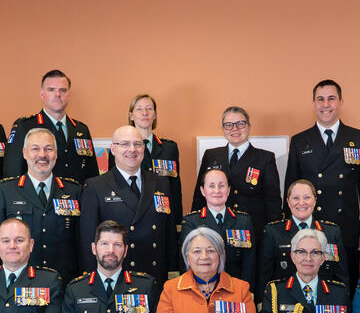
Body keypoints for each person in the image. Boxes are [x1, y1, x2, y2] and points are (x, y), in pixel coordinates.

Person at [285, 79, 360, 286]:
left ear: (341, 102)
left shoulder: (359, 138)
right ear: (314, 103)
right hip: (309, 229)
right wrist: (289, 229)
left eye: (331, 99)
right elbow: (290, 190)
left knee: (346, 285)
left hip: (347, 228)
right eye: (320, 99)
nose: (325, 104)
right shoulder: (300, 140)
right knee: (311, 284)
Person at [79, 125, 177, 284]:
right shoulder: (96, 187)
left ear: (143, 148)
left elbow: (169, 235)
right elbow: (88, 241)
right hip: (117, 277)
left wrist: (172, 274)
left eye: (137, 144)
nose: (132, 149)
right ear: (113, 149)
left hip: (155, 277)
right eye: (124, 144)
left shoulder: (161, 183)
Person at [0, 127, 83, 281]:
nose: (42, 155)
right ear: (25, 153)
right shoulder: (6, 190)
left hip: (64, 280)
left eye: (49, 149)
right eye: (35, 149)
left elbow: (81, 242)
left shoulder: (74, 191)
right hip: (20, 282)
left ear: (56, 154)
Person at [193, 106, 281, 247]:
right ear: (223, 129)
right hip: (215, 232)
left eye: (240, 124)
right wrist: (196, 226)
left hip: (251, 233)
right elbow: (199, 196)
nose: (235, 129)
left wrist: (273, 236)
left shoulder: (265, 158)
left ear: (248, 126)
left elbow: (273, 202)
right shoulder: (211, 155)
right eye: (228, 125)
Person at [3, 70, 97, 183]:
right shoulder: (25, 126)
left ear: (69, 95)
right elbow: (13, 170)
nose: (57, 95)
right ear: (42, 95)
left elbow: (92, 175)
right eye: (51, 90)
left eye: (63, 90)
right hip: (40, 197)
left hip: (76, 198)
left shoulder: (81, 129)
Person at [257, 179, 348, 291]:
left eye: (307, 198)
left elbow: (341, 276)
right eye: (295, 198)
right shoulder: (273, 232)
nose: (301, 203)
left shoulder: (332, 232)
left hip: (323, 301)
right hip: (285, 300)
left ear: (315, 201)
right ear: (288, 202)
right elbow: (264, 276)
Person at [181, 168, 256, 283]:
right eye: (211, 186)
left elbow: (249, 263)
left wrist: (247, 290)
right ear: (202, 191)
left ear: (228, 190)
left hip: (235, 288)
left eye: (222, 186)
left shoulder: (243, 221)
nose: (217, 191)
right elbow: (187, 262)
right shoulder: (191, 222)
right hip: (202, 288)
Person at [129, 94, 183, 235]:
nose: (145, 113)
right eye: (139, 109)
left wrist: (177, 223)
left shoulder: (169, 148)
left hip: (163, 217)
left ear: (155, 115)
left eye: (149, 109)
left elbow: (175, 188)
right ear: (131, 116)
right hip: (133, 217)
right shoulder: (123, 149)